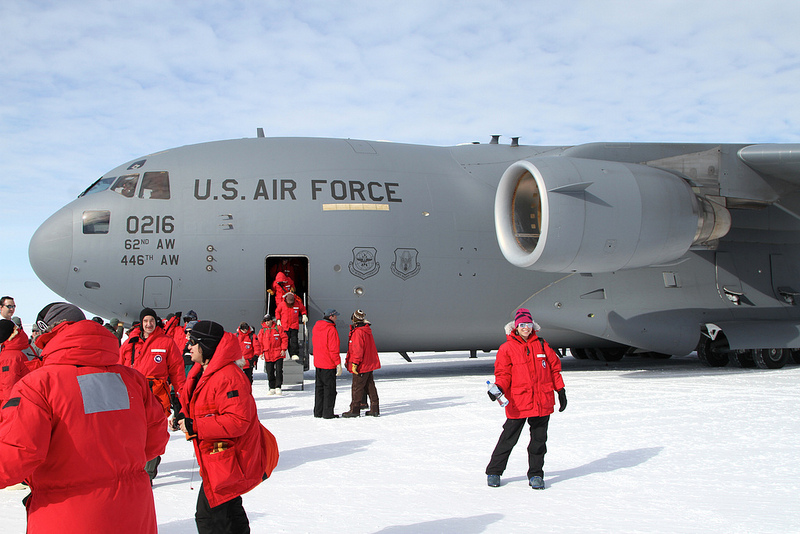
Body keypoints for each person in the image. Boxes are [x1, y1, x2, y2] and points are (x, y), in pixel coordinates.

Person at [0, 302, 169, 533]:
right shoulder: (133, 379)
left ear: (47, 331)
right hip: (134, 512)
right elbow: (156, 440)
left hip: (68, 515)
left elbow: (16, 455)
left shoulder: (39, 385)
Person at [174, 321, 278, 534]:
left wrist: (195, 425)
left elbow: (238, 421)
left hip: (226, 459)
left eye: (193, 343)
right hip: (216, 458)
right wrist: (183, 417)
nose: (188, 347)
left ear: (206, 346)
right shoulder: (204, 371)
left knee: (209, 518)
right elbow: (204, 405)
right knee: (229, 513)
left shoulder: (228, 377)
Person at [485, 308, 567, 490]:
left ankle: (536, 475)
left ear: (532, 326)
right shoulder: (507, 348)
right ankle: (494, 471)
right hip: (519, 402)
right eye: (522, 325)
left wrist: (560, 390)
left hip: (542, 401)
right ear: (516, 326)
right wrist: (498, 387)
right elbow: (503, 373)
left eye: (528, 325)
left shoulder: (542, 345)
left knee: (539, 442)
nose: (525, 328)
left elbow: (554, 368)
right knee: (508, 438)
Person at [119, 307, 186, 483]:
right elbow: (118, 366)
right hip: (133, 392)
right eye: (145, 321)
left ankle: (147, 474)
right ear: (141, 323)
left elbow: (177, 369)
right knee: (133, 433)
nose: (149, 324)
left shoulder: (166, 342)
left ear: (156, 322)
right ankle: (133, 468)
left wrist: (181, 394)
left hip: (157, 393)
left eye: (151, 321)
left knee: (153, 433)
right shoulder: (130, 343)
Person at [342, 310, 381, 418]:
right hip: (368, 363)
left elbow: (357, 350)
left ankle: (354, 409)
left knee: (357, 387)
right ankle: (375, 408)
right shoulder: (367, 330)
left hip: (362, 365)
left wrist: (355, 363)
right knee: (370, 386)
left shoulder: (358, 332)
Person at [312, 309, 342, 419]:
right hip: (328, 363)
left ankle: (318, 411)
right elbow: (333, 348)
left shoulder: (317, 327)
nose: (336, 318)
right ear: (331, 317)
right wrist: (338, 363)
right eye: (335, 316)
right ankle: (328, 413)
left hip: (318, 362)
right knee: (329, 390)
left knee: (319, 388)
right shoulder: (331, 330)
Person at [0, 319, 30, 407]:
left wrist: (7, 411)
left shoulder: (9, 357)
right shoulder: (16, 352)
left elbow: (8, 386)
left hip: (13, 405)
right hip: (22, 400)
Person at [257, 314, 288, 395]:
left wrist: (283, 349)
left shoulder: (278, 328)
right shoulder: (262, 331)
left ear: (271, 320)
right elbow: (259, 342)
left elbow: (284, 338)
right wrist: (260, 352)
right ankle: (271, 387)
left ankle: (278, 386)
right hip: (268, 354)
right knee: (269, 371)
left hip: (278, 353)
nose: (267, 322)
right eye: (265, 321)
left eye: (268, 320)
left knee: (278, 371)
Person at [274, 292, 308, 362]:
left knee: (294, 340)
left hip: (294, 325)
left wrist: (304, 315)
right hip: (284, 326)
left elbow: (303, 309)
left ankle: (294, 353)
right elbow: (277, 311)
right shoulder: (282, 304)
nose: (290, 303)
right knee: (285, 340)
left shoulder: (298, 303)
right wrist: (278, 319)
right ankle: (285, 353)